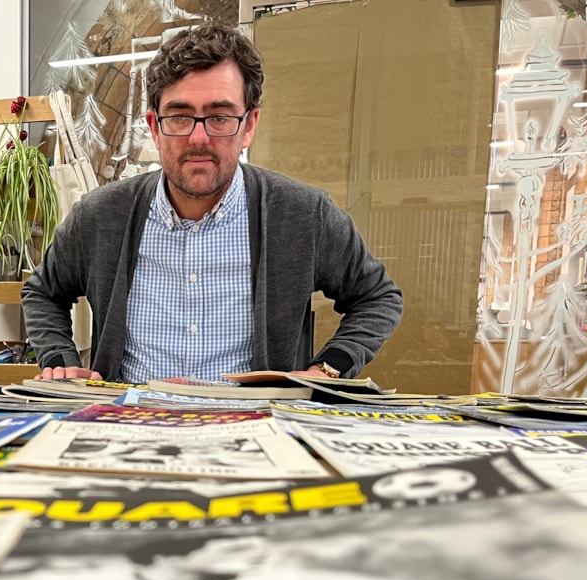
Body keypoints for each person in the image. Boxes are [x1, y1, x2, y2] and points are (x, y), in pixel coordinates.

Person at [22, 22, 403, 384]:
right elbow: (43, 292)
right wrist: (59, 361)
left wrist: (330, 367)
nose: (199, 138)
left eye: (220, 117)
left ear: (249, 125)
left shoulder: (304, 214)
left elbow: (376, 296)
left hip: (256, 430)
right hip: (131, 424)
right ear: (154, 127)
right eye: (180, 116)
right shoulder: (101, 216)